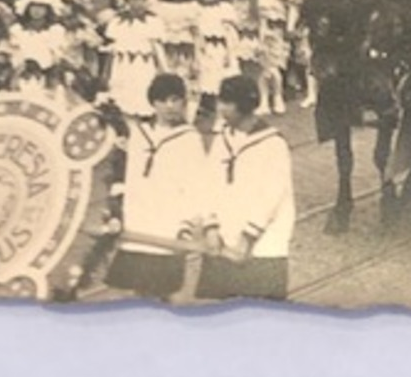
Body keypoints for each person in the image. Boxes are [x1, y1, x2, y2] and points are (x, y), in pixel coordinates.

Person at [104, 74, 210, 301]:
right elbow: (120, 174)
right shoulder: (138, 134)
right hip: (138, 220)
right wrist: (116, 210)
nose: (170, 106)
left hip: (167, 223)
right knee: (138, 287)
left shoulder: (189, 139)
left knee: (163, 289)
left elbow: (198, 184)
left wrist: (188, 224)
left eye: (175, 100)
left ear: (184, 102)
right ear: (153, 103)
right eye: (163, 101)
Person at [195, 75, 295, 301]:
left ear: (244, 105)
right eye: (220, 101)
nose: (220, 108)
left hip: (262, 243)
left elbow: (272, 196)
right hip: (224, 237)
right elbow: (208, 183)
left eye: (227, 103)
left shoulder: (273, 144)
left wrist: (247, 238)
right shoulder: (222, 139)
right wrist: (210, 227)